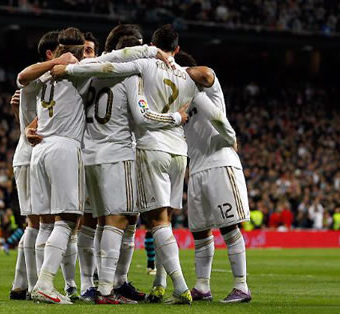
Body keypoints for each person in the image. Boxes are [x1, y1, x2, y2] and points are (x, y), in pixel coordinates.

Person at [53, 24, 233, 304]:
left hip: (103, 151)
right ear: (176, 48)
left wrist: (66, 69)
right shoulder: (179, 75)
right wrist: (185, 121)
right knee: (141, 220)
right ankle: (137, 286)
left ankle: (100, 284)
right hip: (159, 152)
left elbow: (89, 83)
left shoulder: (109, 70)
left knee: (104, 222)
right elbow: (148, 114)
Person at [76, 27, 188, 304]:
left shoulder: (89, 72)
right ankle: (105, 289)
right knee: (118, 221)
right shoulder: (130, 74)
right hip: (117, 153)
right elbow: (142, 116)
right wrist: (175, 117)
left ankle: (104, 284)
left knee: (103, 222)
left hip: (88, 152)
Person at [176, 52, 252, 303]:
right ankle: (202, 287)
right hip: (196, 168)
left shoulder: (209, 89)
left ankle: (241, 286)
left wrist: (231, 138)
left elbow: (216, 110)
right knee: (199, 232)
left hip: (220, 163)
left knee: (229, 227)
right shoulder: (179, 100)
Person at [17, 27, 83, 305]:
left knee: (44, 222)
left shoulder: (44, 76)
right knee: (67, 219)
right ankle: (45, 283)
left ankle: (39, 285)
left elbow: (23, 79)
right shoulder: (80, 71)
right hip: (64, 147)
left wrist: (29, 128)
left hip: (39, 149)